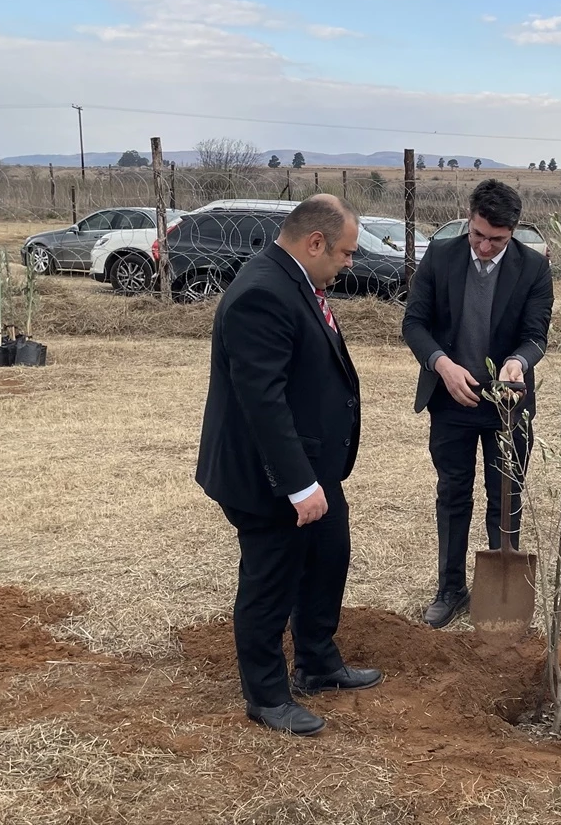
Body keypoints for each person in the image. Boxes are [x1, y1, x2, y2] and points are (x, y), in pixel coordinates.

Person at [195, 195, 383, 737]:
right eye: (345, 253)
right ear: (315, 242)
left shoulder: (297, 282)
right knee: (270, 579)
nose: (351, 263)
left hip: (310, 462)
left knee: (328, 555)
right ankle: (267, 696)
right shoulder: (262, 293)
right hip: (268, 477)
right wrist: (299, 486)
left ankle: (318, 662)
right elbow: (262, 399)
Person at [402, 179, 554, 629]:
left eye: (497, 240)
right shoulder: (440, 255)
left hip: (508, 405)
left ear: (514, 232)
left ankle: (499, 590)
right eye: (478, 235)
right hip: (451, 401)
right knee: (452, 493)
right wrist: (442, 365)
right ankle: (450, 587)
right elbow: (414, 323)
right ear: (469, 220)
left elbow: (536, 335)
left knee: (504, 498)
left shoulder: (533, 269)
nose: (485, 247)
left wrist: (517, 363)